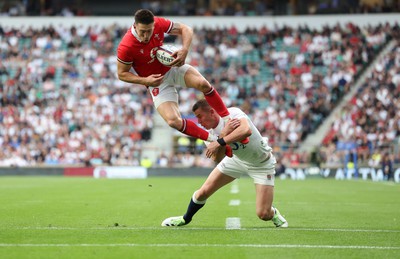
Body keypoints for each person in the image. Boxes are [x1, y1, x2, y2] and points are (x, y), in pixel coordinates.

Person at [117, 9, 247, 156]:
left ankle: (229, 121)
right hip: (157, 82)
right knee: (173, 121)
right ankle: (214, 139)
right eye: (143, 32)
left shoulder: (159, 23)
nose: (146, 35)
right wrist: (145, 80)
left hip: (173, 67)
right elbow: (122, 74)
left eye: (149, 31)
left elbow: (186, 29)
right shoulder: (126, 46)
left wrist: (185, 50)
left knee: (203, 84)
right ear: (135, 26)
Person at [161, 99, 288, 228]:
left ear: (211, 112)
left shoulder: (231, 114)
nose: (199, 122)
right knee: (202, 193)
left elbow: (246, 130)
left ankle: (274, 213)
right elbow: (217, 157)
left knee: (263, 214)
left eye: (200, 117)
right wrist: (222, 136)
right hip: (235, 160)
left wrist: (220, 141)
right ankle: (185, 218)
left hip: (261, 164)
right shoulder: (209, 134)